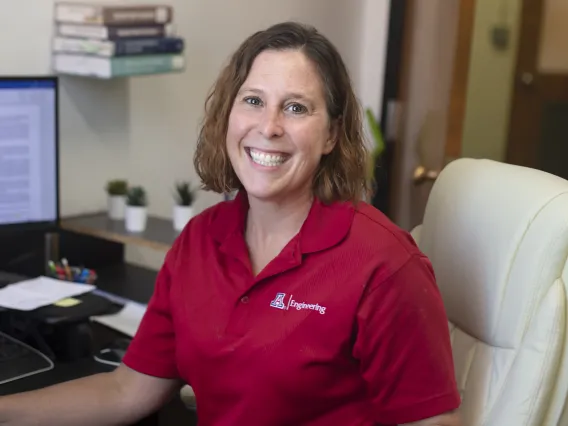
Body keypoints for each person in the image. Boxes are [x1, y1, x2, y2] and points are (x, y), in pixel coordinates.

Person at [0, 22, 461, 426]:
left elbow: (434, 422)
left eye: (296, 108)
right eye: (254, 101)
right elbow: (127, 391)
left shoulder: (383, 264)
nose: (269, 126)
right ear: (229, 115)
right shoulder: (201, 240)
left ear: (332, 136)